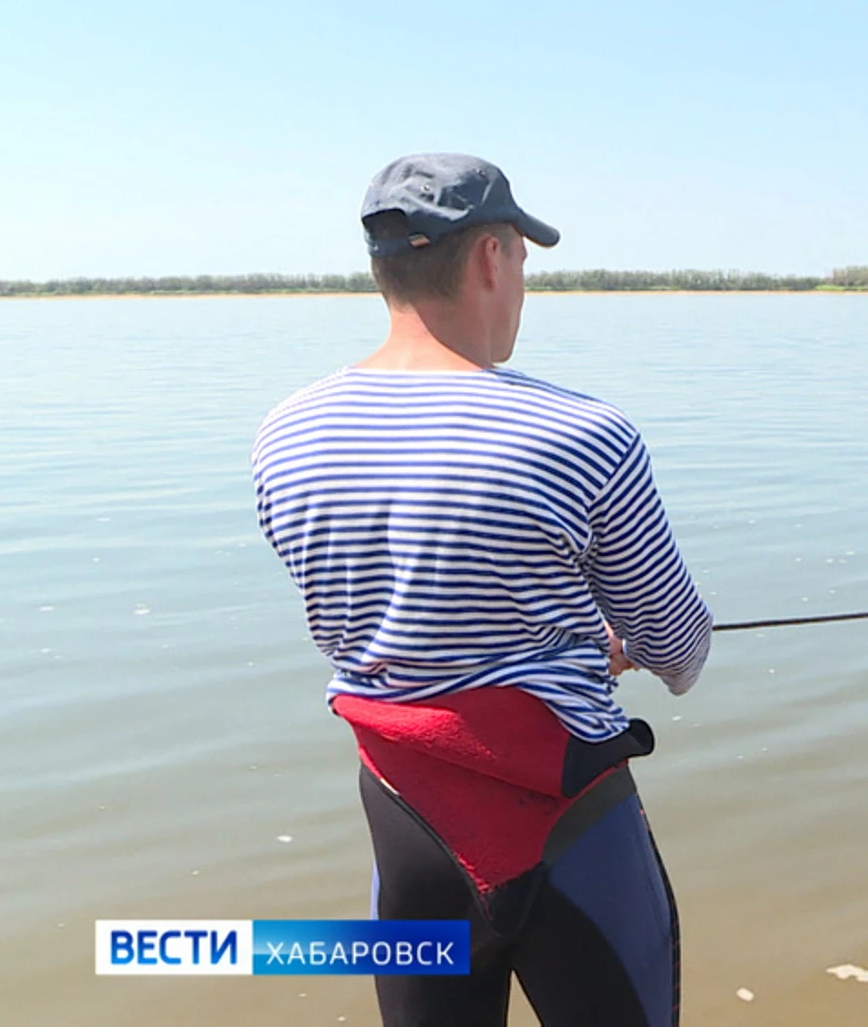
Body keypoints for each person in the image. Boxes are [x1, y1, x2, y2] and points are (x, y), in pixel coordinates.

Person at [251, 153, 712, 1027]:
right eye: (523, 263)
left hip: (404, 818)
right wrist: (620, 649)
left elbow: (375, 620)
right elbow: (678, 649)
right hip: (569, 826)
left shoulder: (285, 434)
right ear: (491, 259)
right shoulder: (584, 435)